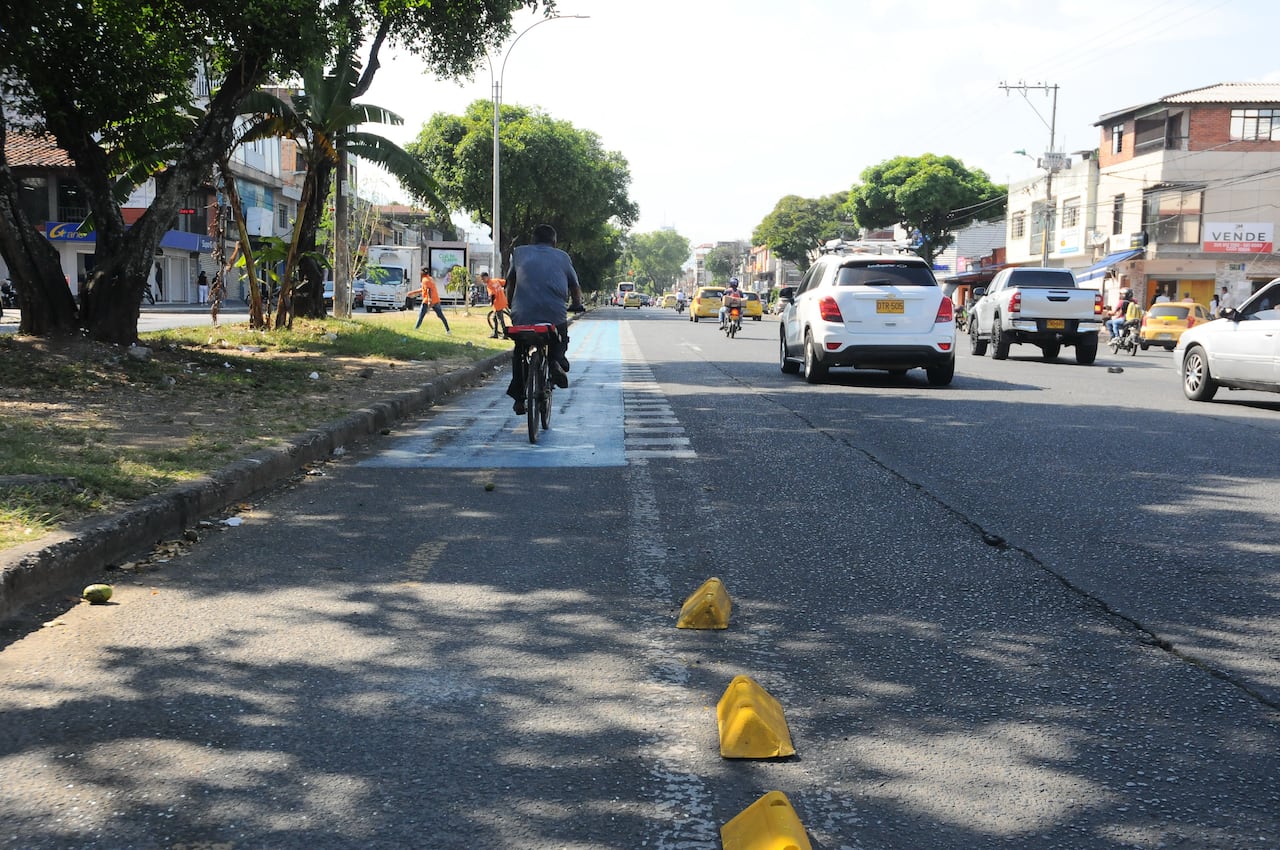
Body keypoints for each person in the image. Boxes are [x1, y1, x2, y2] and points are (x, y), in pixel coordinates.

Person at [504, 223, 584, 414]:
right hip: (554, 316)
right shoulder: (563, 257)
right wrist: (576, 304)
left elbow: (511, 281)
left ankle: (518, 398)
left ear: (533, 240)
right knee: (560, 337)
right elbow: (575, 287)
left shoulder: (519, 253)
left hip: (522, 314)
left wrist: (510, 303)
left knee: (519, 352)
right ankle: (556, 360)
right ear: (554, 242)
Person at [414, 268, 450, 333]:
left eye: (420, 272)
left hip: (427, 300)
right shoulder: (430, 279)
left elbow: (428, 290)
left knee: (421, 315)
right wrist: (413, 292)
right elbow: (424, 289)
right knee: (441, 316)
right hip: (436, 300)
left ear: (422, 273)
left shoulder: (424, 280)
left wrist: (429, 301)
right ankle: (448, 330)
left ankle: (416, 329)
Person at [482, 272, 509, 338]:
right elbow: (505, 282)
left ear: (486, 277)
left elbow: (492, 295)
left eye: (483, 279)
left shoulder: (489, 285)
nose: (483, 280)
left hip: (497, 303)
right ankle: (495, 333)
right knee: (494, 318)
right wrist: (503, 291)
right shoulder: (496, 280)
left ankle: (505, 334)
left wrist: (491, 302)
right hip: (502, 300)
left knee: (500, 319)